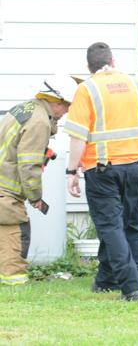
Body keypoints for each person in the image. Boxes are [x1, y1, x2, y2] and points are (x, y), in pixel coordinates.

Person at [64, 42, 138, 302]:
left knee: (111, 227)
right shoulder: (135, 84)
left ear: (89, 67)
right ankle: (114, 279)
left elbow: (78, 137)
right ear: (113, 62)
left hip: (102, 170)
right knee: (130, 223)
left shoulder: (87, 89)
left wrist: (71, 171)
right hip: (137, 168)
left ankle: (130, 287)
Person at [0, 74, 77, 286]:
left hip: (4, 183)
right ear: (55, 101)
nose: (68, 110)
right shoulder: (40, 122)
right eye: (66, 105)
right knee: (15, 234)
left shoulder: (25, 109)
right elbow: (28, 165)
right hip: (7, 189)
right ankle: (13, 282)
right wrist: (35, 196)